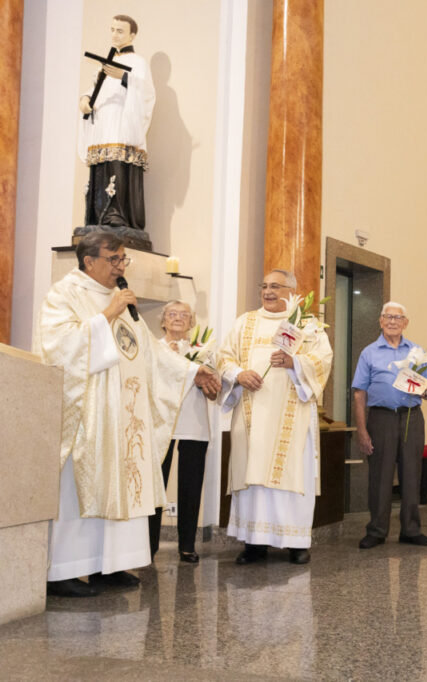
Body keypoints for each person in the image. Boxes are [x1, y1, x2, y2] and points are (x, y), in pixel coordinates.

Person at [34, 232, 219, 598]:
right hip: (88, 416)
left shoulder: (121, 301)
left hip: (122, 416)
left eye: (123, 260)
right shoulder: (65, 293)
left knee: (121, 484)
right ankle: (63, 572)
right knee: (79, 489)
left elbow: (149, 351)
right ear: (89, 261)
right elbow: (58, 347)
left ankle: (108, 566)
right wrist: (107, 315)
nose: (121, 267)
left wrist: (190, 371)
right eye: (114, 259)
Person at [218, 269, 333, 565]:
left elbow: (323, 361)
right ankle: (254, 543)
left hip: (291, 416)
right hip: (252, 414)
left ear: (291, 291)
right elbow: (223, 357)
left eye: (276, 286)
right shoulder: (245, 322)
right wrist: (239, 374)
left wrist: (295, 362)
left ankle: (296, 542)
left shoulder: (307, 325)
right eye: (265, 286)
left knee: (292, 473)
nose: (268, 292)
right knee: (253, 476)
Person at [352, 302, 427, 549]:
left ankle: (411, 529)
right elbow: (359, 394)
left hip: (411, 416)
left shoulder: (417, 352)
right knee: (380, 476)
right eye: (387, 317)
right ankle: (377, 530)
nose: (392, 321)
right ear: (380, 321)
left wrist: (426, 391)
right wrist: (362, 430)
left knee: (412, 474)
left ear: (405, 323)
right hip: (381, 418)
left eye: (397, 317)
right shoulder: (369, 352)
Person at [148, 301, 218, 563]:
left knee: (191, 486)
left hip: (194, 425)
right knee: (156, 486)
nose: (177, 319)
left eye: (184, 315)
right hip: (160, 425)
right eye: (172, 314)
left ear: (192, 323)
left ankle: (187, 545)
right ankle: (149, 545)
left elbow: (214, 387)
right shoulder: (152, 348)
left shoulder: (204, 351)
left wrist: (208, 383)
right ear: (163, 321)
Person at [77, 15, 155, 231]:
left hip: (121, 125)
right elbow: (97, 90)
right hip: (102, 124)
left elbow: (146, 93)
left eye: (120, 31)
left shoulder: (138, 63)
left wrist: (124, 77)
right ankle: (97, 215)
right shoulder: (104, 63)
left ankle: (117, 216)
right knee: (100, 167)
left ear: (132, 35)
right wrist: (85, 100)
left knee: (117, 165)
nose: (114, 34)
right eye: (112, 29)